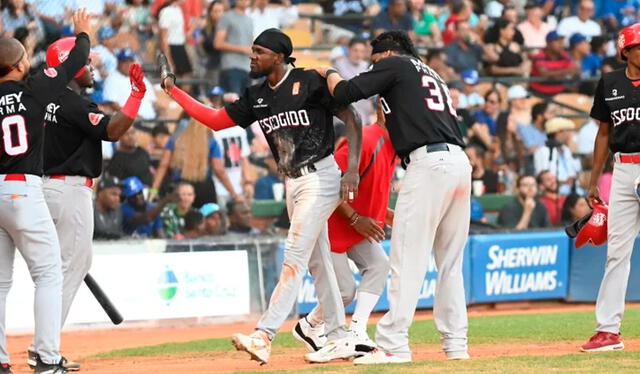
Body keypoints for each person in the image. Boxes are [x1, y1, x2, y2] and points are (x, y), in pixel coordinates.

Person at [159, 27, 363, 364]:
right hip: (293, 183)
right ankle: (338, 336)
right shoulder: (257, 96)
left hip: (321, 176)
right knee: (318, 261)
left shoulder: (308, 81)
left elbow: (351, 115)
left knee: (294, 257)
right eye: (252, 50)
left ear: (278, 56)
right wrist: (173, 90)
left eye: (258, 51)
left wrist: (352, 168)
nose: (252, 56)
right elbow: (214, 119)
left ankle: (264, 335)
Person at [316, 30, 471, 364]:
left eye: (375, 61)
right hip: (459, 163)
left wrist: (326, 72)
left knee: (406, 258)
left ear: (388, 54)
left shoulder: (397, 64)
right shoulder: (431, 72)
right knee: (450, 264)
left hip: (429, 162)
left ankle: (393, 344)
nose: (374, 67)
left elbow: (345, 92)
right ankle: (456, 344)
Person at [39, 34, 146, 371]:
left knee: (50, 271)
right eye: (84, 63)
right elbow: (113, 131)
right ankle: (45, 349)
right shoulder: (73, 103)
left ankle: (43, 347)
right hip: (70, 190)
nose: (91, 67)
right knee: (70, 268)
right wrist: (136, 96)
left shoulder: (38, 96)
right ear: (69, 66)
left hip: (39, 188)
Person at [0, 9, 90, 374]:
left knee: (0, 282)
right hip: (23, 189)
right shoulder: (34, 90)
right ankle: (48, 359)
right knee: (49, 275)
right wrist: (82, 32)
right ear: (21, 64)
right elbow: (77, 62)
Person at [294, 99, 395, 355]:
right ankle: (312, 325)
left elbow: (370, 193)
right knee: (344, 291)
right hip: (329, 222)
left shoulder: (394, 146)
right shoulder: (368, 139)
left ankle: (356, 330)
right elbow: (326, 182)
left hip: (355, 224)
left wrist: (391, 216)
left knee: (379, 266)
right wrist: (355, 219)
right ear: (384, 112)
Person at [580, 22, 640, 352]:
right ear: (626, 51)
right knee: (617, 252)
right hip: (622, 170)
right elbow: (604, 133)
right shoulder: (610, 82)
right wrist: (593, 181)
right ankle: (608, 330)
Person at [149, 117, 239, 207]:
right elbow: (219, 169)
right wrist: (234, 194)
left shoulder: (174, 140)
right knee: (207, 218)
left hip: (180, 187)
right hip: (204, 187)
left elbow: (163, 165)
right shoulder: (211, 142)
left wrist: (154, 190)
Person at [102, 48, 157, 120]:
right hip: (130, 122)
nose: (128, 65)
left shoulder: (141, 78)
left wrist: (161, 112)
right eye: (125, 62)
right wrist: (133, 117)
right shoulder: (112, 79)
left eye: (130, 61)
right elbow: (113, 105)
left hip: (152, 119)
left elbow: (153, 101)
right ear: (119, 63)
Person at [533, 117, 581, 195]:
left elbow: (577, 172)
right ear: (558, 132)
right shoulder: (542, 151)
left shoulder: (566, 149)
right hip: (555, 193)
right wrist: (563, 182)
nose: (570, 134)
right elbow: (542, 178)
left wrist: (573, 149)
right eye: (567, 131)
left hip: (574, 191)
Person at [215, 0, 253, 94]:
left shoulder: (249, 20)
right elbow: (218, 43)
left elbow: (250, 43)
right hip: (231, 66)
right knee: (233, 104)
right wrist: (242, 48)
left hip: (247, 68)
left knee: (246, 105)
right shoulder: (226, 17)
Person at [530, 31, 580, 96]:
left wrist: (573, 71)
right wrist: (566, 71)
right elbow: (544, 74)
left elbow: (574, 71)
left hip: (560, 93)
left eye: (562, 41)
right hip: (539, 93)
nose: (560, 44)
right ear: (548, 43)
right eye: (556, 41)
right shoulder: (540, 56)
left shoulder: (565, 56)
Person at [158, 0, 192, 83]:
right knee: (173, 79)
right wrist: (168, 59)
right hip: (171, 47)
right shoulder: (166, 11)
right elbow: (163, 37)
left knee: (186, 77)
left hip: (180, 46)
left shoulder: (178, 10)